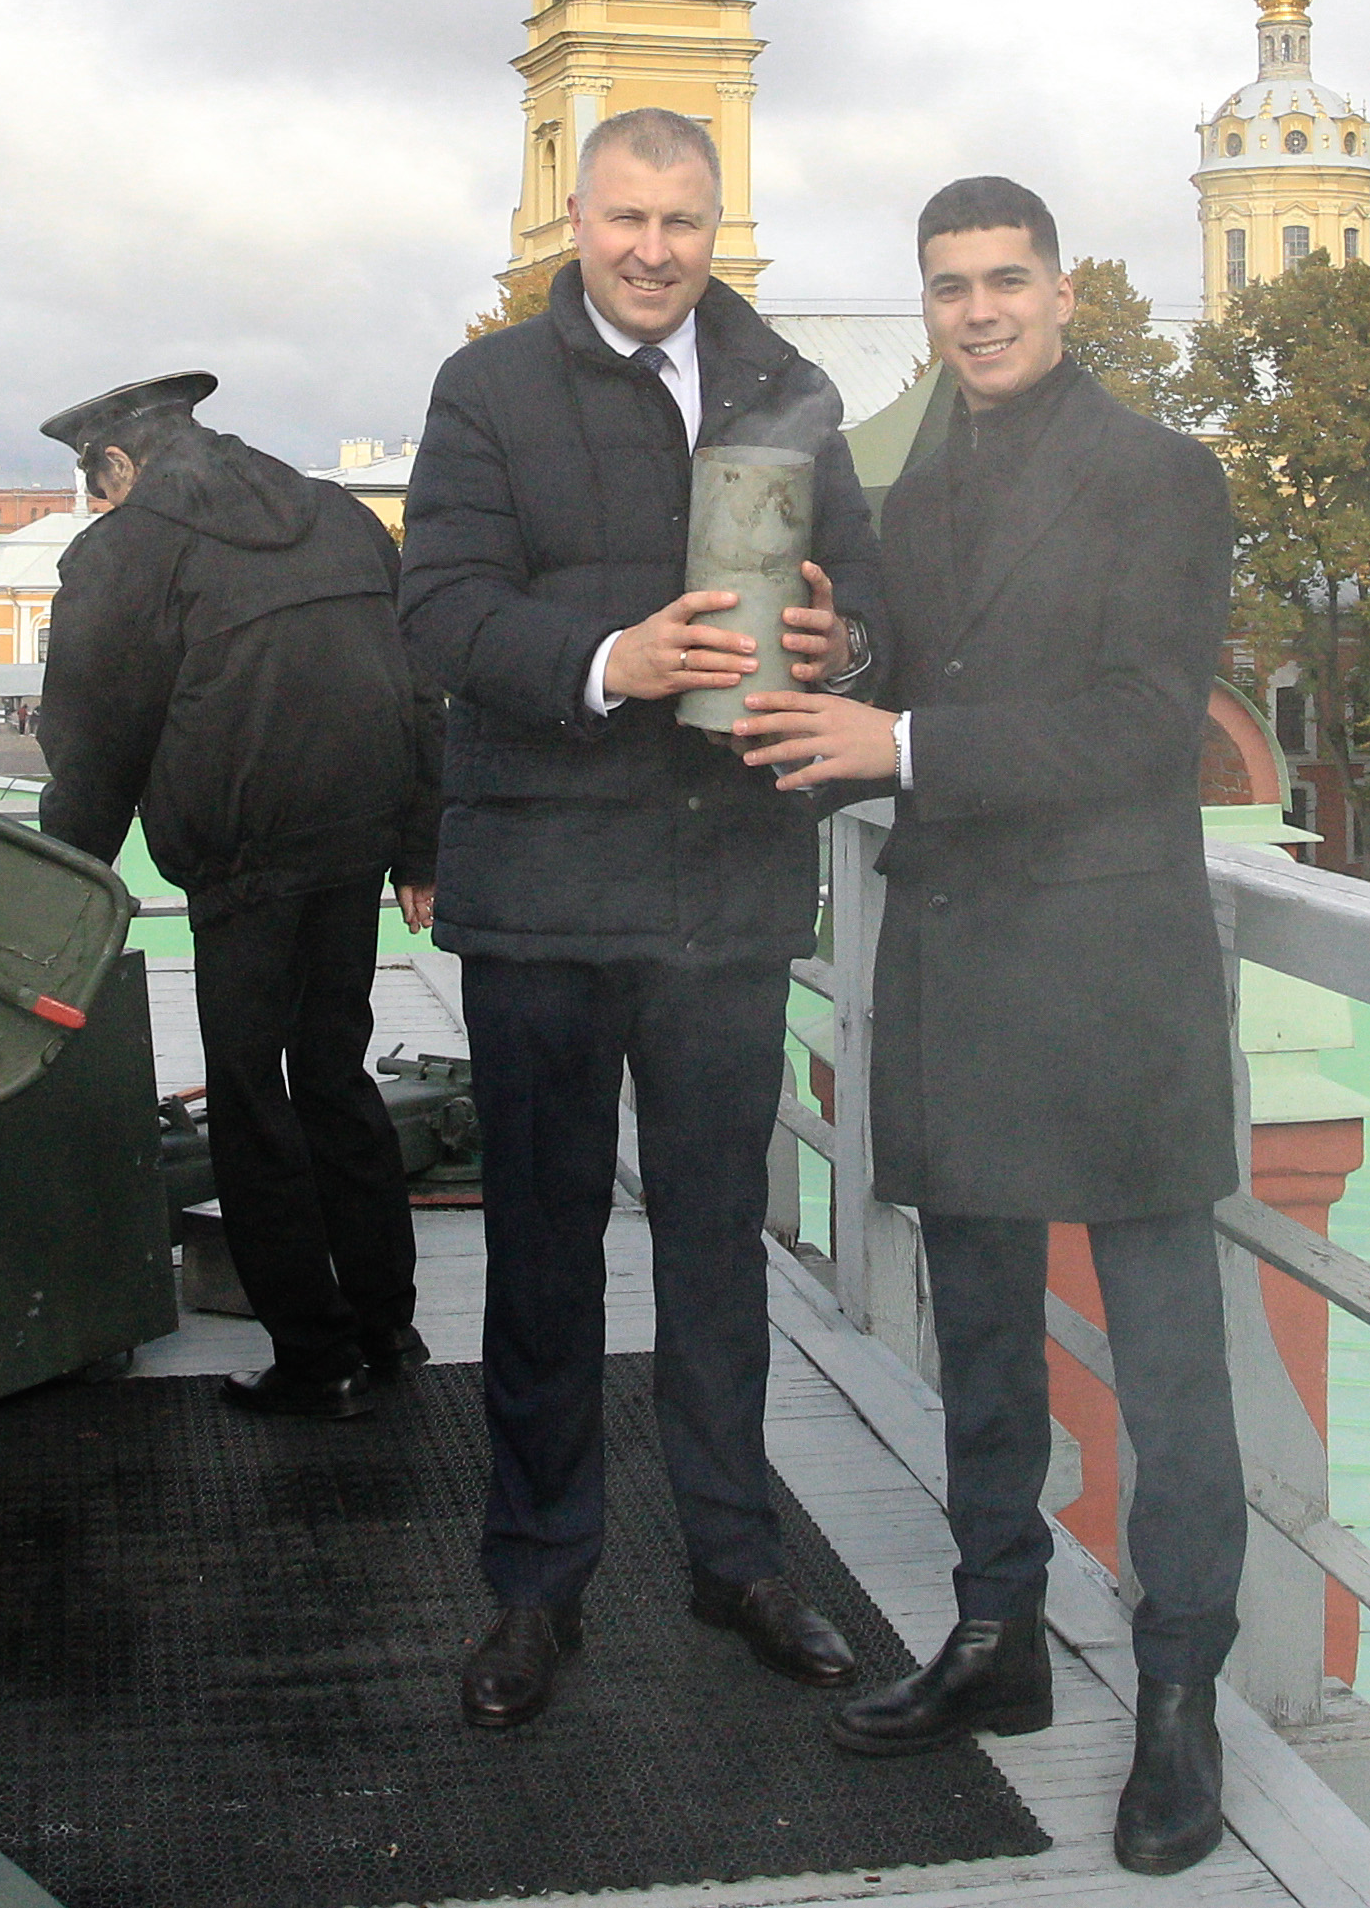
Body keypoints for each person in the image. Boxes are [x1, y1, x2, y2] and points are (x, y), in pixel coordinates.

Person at [734, 175, 1245, 1878]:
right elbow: (909, 672)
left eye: (1006, 279)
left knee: (1169, 1370)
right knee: (979, 1342)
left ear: (1064, 289)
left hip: (1113, 973)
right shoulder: (914, 485)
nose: (979, 310)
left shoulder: (1163, 473)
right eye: (950, 285)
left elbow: (1143, 726)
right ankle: (996, 1635)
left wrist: (897, 744)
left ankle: (1177, 1697)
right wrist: (842, 657)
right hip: (962, 955)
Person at [398, 106, 886, 1729]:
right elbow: (440, 611)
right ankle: (537, 1585)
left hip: (722, 891)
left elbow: (874, 605)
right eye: (627, 218)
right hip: (545, 895)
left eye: (683, 220)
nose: (655, 249)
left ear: (714, 222)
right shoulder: (489, 389)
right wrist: (616, 658)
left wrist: (838, 644)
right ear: (577, 218)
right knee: (542, 1254)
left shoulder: (786, 387)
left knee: (716, 1246)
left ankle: (734, 1559)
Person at [36, 371, 444, 1422]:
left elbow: (92, 738)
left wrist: (65, 881)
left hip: (242, 853)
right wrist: (417, 841)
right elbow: (419, 679)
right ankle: (385, 1327)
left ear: (118, 462)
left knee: (251, 1098)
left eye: (93, 485)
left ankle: (314, 1357)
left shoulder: (125, 549)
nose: (93, 505)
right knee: (334, 1073)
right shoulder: (339, 514)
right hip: (356, 833)